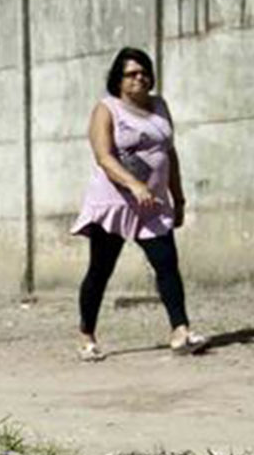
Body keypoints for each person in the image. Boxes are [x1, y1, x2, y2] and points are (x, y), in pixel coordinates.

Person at [71, 47, 206, 360]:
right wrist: (133, 184)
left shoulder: (160, 106)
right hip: (115, 200)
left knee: (167, 264)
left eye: (144, 71)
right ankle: (86, 335)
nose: (139, 77)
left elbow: (169, 154)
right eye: (131, 73)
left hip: (153, 203)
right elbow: (104, 156)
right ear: (118, 80)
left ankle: (181, 331)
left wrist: (179, 198)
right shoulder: (107, 109)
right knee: (100, 270)